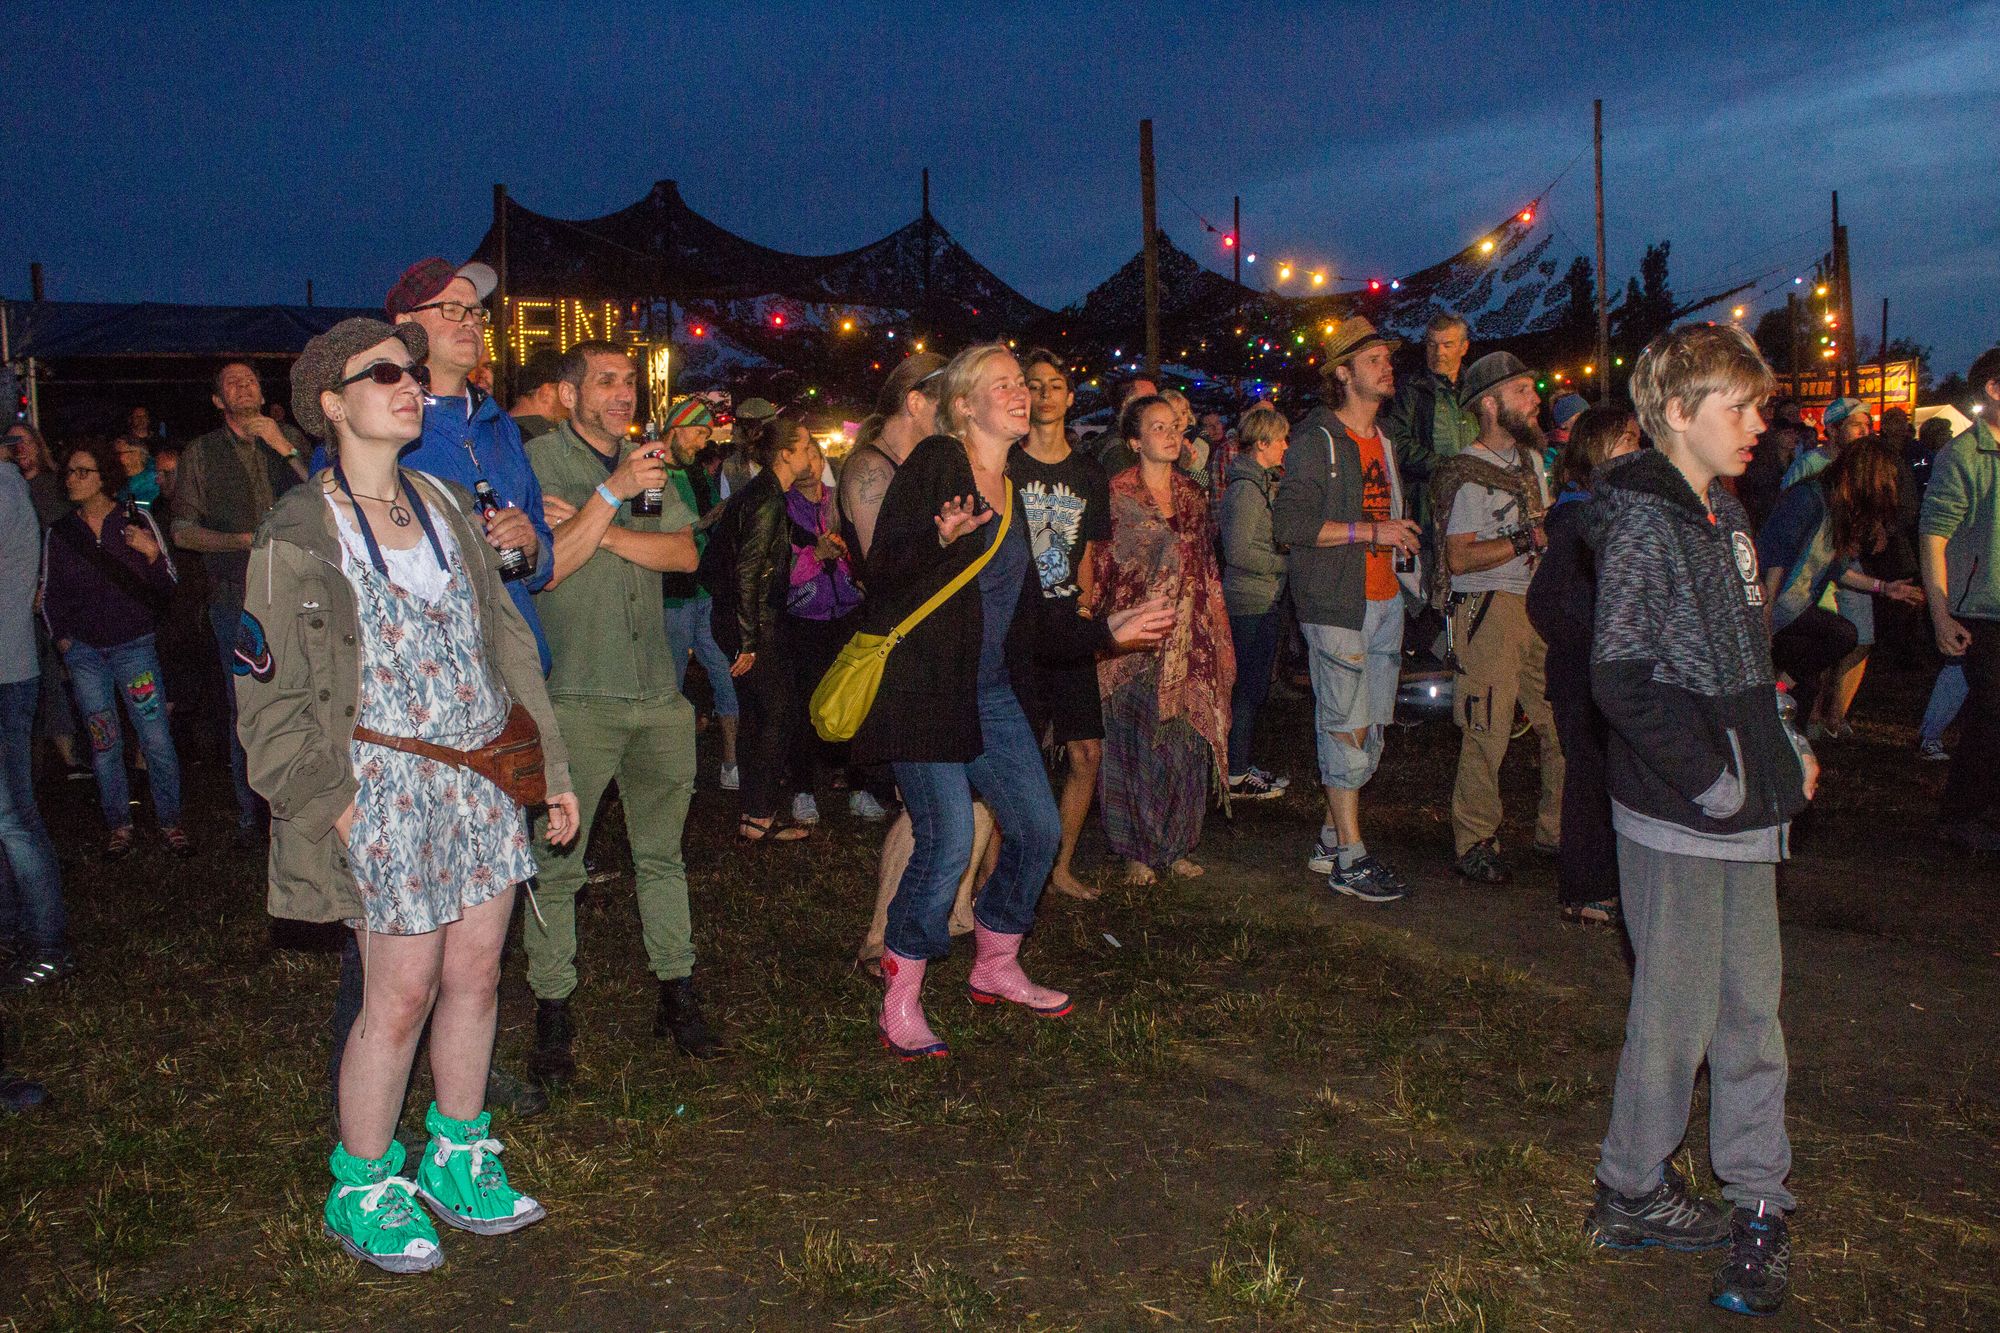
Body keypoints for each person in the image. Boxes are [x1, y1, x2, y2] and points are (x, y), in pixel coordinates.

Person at [237, 317, 579, 1275]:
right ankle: (363, 1185)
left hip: (480, 778)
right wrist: (336, 805)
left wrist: (547, 765)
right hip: (381, 789)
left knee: (477, 977)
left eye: (410, 372)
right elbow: (267, 701)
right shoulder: (300, 530)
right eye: (381, 373)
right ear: (332, 404)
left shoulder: (445, 505)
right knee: (399, 995)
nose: (407, 384)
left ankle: (458, 1155)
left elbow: (508, 644)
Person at [850, 343, 1172, 1059]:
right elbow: (886, 571)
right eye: (1001, 385)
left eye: (1020, 383)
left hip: (993, 692)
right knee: (946, 843)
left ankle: (995, 963)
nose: (1020, 393)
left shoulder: (1016, 488)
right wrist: (938, 540)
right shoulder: (938, 462)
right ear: (964, 405)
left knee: (1036, 830)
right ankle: (901, 997)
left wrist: (1106, 630)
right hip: (925, 689)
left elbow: (1031, 614)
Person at [1585, 323, 1813, 1319]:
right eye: (1739, 406)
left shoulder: (1725, 515)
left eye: (1760, 406)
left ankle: (1758, 1201)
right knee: (1674, 1018)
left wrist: (1781, 741)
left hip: (1743, 807)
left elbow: (1748, 657)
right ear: (1677, 413)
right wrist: (1712, 782)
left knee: (1750, 1013)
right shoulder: (1644, 521)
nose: (1758, 423)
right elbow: (1620, 679)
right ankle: (1630, 1188)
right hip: (1682, 815)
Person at [523, 340, 715, 1080]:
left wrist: (596, 528)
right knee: (557, 866)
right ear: (568, 394)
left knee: (662, 856)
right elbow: (545, 569)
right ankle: (552, 1011)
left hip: (658, 694)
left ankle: (678, 992)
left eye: (629, 381)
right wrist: (610, 498)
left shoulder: (649, 464)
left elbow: (685, 556)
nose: (623, 393)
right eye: (605, 381)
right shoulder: (538, 464)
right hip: (577, 695)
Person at [1272, 317, 1421, 903]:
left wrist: (1399, 542)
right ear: (1342, 373)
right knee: (1345, 726)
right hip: (1335, 603)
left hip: (1384, 599)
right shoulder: (1318, 440)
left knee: (1372, 725)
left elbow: (1387, 512)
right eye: (1374, 359)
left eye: (1388, 357)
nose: (1387, 367)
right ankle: (1351, 860)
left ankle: (1330, 839)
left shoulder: (1382, 440)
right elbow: (1289, 525)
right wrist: (1372, 530)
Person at [385, 257, 556, 675]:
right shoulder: (381, 427)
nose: (470, 322)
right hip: (434, 672)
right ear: (406, 325)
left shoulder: (500, 426)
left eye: (476, 312)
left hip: (517, 668)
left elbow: (541, 554)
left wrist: (533, 546)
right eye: (451, 309)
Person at [1432, 351, 1563, 885]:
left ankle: (1556, 829)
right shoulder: (1467, 473)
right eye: (1522, 391)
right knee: (1487, 728)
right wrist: (1528, 539)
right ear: (1490, 404)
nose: (1535, 400)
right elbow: (1459, 558)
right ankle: (1475, 839)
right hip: (1488, 608)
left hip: (1535, 606)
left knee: (1561, 723)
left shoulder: (1531, 462)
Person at [1092, 395, 1234, 885]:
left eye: (1175, 426)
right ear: (1134, 441)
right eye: (1158, 427)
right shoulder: (1115, 495)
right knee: (1131, 744)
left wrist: (1216, 631)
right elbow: (1101, 567)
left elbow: (1207, 566)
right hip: (1134, 642)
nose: (1172, 435)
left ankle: (1176, 845)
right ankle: (1133, 849)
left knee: (1182, 745)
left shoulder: (1192, 495)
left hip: (1189, 637)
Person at [173, 361, 312, 845]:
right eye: (232, 382)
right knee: (248, 707)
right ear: (219, 401)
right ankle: (254, 818)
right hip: (237, 594)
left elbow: (325, 495)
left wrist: (284, 447)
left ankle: (303, 809)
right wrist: (239, 541)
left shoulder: (288, 439)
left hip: (297, 589)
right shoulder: (201, 453)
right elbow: (182, 531)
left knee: (304, 698)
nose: (244, 386)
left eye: (250, 379)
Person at [38, 443, 191, 858]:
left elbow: (169, 584)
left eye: (82, 472)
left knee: (155, 737)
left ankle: (170, 821)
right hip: (86, 655)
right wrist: (64, 640)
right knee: (104, 741)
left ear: (104, 477)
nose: (72, 479)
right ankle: (118, 824)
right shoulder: (61, 533)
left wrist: (152, 553)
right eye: (69, 472)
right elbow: (50, 595)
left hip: (134, 648)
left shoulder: (134, 519)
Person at [1526, 403, 1641, 926]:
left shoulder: (1595, 513)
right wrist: (1595, 646)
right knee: (1591, 778)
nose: (1637, 450)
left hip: (1592, 666)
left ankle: (1595, 885)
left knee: (1598, 775)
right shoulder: (1580, 520)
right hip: (1586, 670)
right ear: (1599, 449)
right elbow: (1548, 601)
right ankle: (1586, 888)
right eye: (1627, 440)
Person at [1011, 349, 1113, 898]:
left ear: (1071, 397)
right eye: (1034, 385)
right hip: (1017, 630)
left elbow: (1088, 554)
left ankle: (1060, 867)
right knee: (1015, 755)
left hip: (1068, 621)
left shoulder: (1088, 472)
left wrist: (1086, 609)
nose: (1045, 394)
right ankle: (997, 874)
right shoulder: (1008, 464)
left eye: (1055, 385)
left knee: (1087, 752)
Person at [1757, 440, 1925, 728]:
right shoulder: (1808, 498)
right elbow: (1776, 557)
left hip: (1795, 609)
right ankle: (1775, 693)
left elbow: (1839, 570)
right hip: (1777, 607)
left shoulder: (1838, 511)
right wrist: (1765, 612)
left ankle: (1780, 699)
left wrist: (1884, 588)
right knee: (1842, 635)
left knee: (1809, 684)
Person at [704, 417, 817, 842]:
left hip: (743, 619)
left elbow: (778, 535)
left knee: (758, 714)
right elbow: (748, 572)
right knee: (776, 715)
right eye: (804, 447)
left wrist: (814, 542)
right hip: (752, 622)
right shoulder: (766, 497)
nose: (812, 455)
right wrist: (748, 642)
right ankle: (760, 815)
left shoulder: (766, 493)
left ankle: (754, 813)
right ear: (785, 454)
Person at [1919, 346, 2000, 853]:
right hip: (1979, 609)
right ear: (1993, 388)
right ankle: (1962, 816)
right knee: (1993, 711)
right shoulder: (1963, 455)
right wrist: (1940, 613)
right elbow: (1933, 535)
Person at [0, 452, 69, 992]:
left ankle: (48, 947)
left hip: (4, 675)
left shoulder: (5, 492)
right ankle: (16, 931)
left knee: (13, 818)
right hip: (10, 670)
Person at [778, 428, 866, 823]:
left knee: (855, 698)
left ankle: (860, 785)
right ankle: (803, 789)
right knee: (804, 704)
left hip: (847, 614)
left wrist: (847, 561)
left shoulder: (842, 502)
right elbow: (782, 572)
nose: (809, 463)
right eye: (802, 454)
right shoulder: (782, 509)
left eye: (814, 454)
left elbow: (863, 551)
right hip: (804, 620)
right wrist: (815, 554)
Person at [658, 397, 739, 789]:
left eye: (707, 435)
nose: (703, 443)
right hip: (669, 594)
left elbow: (706, 524)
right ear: (676, 429)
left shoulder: (696, 473)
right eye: (698, 433)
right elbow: (659, 531)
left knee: (723, 671)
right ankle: (672, 773)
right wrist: (709, 520)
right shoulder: (650, 472)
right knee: (670, 681)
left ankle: (731, 763)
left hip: (703, 590)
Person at [1220, 405, 1292, 801]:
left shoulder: (1259, 485)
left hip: (1261, 598)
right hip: (1250, 602)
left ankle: (1240, 764)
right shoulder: (1247, 491)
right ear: (1261, 444)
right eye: (1280, 439)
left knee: (1251, 687)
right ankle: (1234, 774)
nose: (1285, 446)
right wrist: (1285, 564)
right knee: (1246, 689)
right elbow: (1239, 551)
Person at [1382, 312, 1477, 530]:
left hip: (1475, 499)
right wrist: (1448, 468)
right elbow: (1397, 443)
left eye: (1447, 345)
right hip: (1428, 505)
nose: (1438, 352)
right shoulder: (1410, 390)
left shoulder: (1478, 390)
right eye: (1432, 345)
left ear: (1464, 347)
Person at [1095, 374, 1160, 476]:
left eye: (1157, 399)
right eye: (1149, 399)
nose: (1158, 405)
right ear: (1127, 404)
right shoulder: (1117, 446)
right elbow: (1131, 484)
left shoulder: (1145, 438)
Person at [507, 348, 568, 443]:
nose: (570, 402)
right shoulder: (549, 439)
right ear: (546, 392)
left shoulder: (495, 429)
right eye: (566, 392)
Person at [722, 396, 778, 498]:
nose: (734, 432)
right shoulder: (731, 468)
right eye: (738, 424)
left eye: (746, 426)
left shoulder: (787, 461)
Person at [112, 433, 163, 514]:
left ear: (136, 454)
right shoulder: (117, 477)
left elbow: (140, 510)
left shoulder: (153, 478)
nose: (117, 458)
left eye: (120, 453)